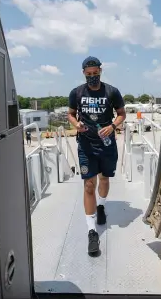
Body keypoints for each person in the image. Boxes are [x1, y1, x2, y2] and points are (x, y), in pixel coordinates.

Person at [68, 56, 126, 255]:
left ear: (101, 70)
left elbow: (121, 114)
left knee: (104, 179)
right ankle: (92, 232)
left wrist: (112, 126)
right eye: (89, 74)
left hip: (107, 144)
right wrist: (76, 125)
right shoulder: (76, 92)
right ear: (84, 73)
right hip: (85, 144)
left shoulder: (112, 91)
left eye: (95, 73)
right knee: (88, 184)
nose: (92, 77)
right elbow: (70, 114)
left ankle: (101, 206)